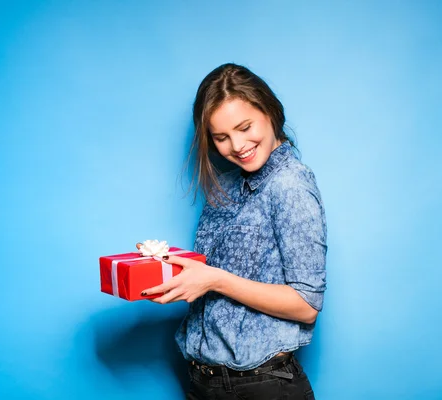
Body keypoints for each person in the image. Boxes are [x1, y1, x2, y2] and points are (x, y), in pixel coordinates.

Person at [139, 63, 327, 399]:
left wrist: (213, 279)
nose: (237, 145)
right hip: (204, 381)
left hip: (263, 386)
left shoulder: (290, 184)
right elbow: (216, 273)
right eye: (221, 137)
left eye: (245, 127)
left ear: (270, 112)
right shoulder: (224, 185)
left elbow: (306, 304)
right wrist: (163, 263)